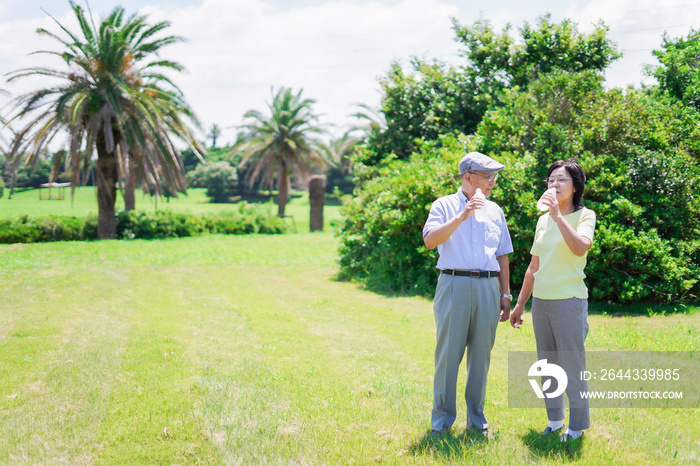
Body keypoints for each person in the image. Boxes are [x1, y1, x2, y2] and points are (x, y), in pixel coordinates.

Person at [423, 151, 513, 436]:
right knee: (448, 356)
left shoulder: (495, 210)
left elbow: (502, 255)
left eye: (494, 177)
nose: (492, 183)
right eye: (488, 177)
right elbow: (429, 240)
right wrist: (462, 216)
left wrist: (506, 293)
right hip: (454, 284)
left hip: (488, 286)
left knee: (481, 357)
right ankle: (441, 423)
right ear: (468, 177)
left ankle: (477, 421)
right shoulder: (444, 205)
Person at [510, 159, 596, 442]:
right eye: (551, 180)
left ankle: (577, 426)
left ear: (575, 186)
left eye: (562, 180)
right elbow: (533, 267)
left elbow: (579, 247)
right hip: (542, 302)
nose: (554, 185)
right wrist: (521, 304)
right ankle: (555, 420)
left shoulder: (585, 216)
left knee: (572, 365)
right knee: (547, 365)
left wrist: (559, 216)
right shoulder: (541, 220)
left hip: (569, 300)